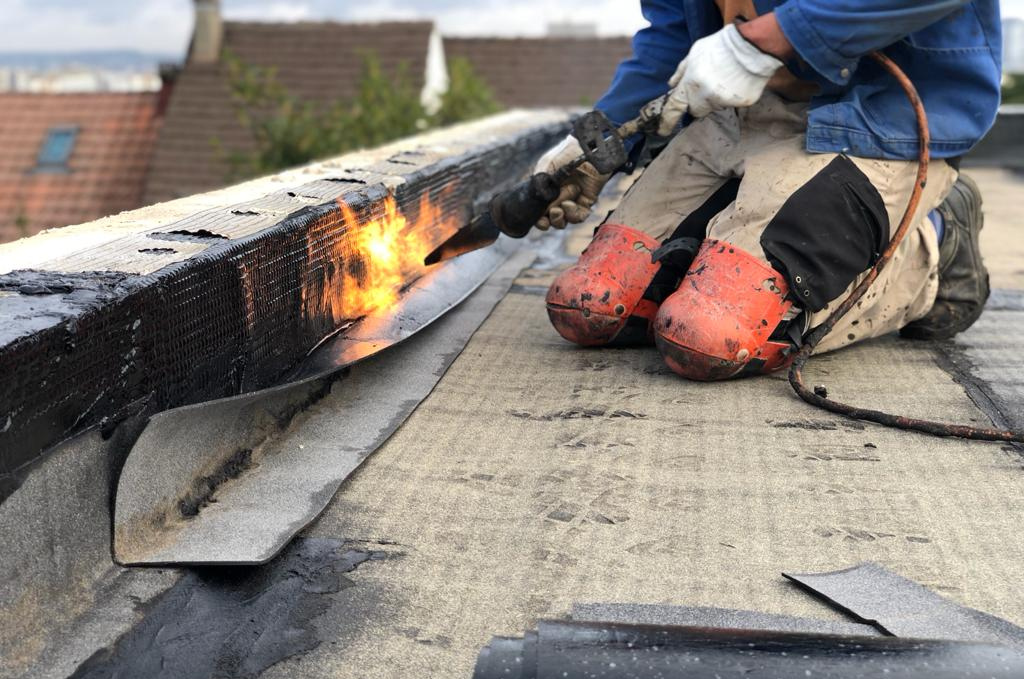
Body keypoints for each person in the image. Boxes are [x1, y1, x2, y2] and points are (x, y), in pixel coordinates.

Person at [539, 0, 1000, 380]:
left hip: (872, 118)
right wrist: (600, 141)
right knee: (591, 304)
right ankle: (727, 256)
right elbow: (675, 33)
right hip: (743, 112)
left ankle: (938, 238)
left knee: (712, 335)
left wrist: (771, 37)